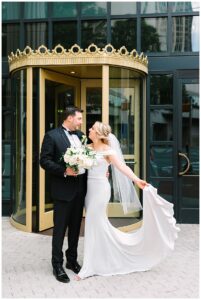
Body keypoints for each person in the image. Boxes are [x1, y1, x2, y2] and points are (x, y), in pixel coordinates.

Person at [76, 121, 180, 280]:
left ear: (98, 134)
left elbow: (123, 167)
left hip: (101, 191)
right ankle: (100, 259)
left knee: (92, 222)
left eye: (92, 129)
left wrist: (137, 180)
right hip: (89, 191)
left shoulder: (108, 151)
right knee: (96, 224)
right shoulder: (87, 148)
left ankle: (89, 266)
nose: (89, 130)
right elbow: (80, 166)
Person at [40, 106, 87, 283]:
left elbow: (89, 158)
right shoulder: (52, 136)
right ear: (69, 118)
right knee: (59, 230)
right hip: (62, 190)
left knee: (76, 229)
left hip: (80, 190)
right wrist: (64, 171)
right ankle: (57, 265)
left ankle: (72, 261)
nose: (81, 122)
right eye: (79, 118)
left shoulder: (81, 136)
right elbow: (44, 161)